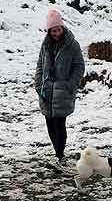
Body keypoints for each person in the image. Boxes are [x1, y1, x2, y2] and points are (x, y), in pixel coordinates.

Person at [33, 9, 85, 163]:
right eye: (53, 31)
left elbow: (79, 66)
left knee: (59, 124)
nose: (56, 33)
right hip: (47, 91)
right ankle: (57, 153)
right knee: (49, 124)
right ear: (49, 31)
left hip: (63, 92)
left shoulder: (72, 45)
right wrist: (38, 84)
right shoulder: (45, 46)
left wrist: (71, 84)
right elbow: (40, 66)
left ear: (62, 28)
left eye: (58, 29)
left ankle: (60, 155)